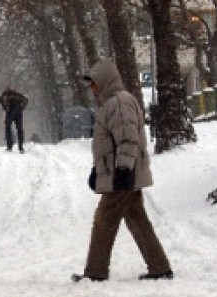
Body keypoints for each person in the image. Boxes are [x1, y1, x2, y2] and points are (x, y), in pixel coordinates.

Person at [72, 58, 173, 282]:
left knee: (104, 220)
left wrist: (123, 170)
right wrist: (98, 171)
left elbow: (127, 139)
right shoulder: (113, 103)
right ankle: (159, 267)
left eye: (94, 83)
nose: (92, 88)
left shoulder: (118, 103)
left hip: (123, 176)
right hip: (121, 174)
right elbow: (109, 145)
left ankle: (95, 272)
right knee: (137, 219)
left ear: (105, 81)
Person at [0, 85, 28, 152]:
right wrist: (22, 107)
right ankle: (21, 147)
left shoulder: (5, 94)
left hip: (10, 111)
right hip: (18, 111)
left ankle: (9, 146)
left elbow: (1, 100)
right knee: (19, 129)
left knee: (8, 127)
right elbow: (26, 100)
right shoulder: (18, 95)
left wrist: (5, 108)